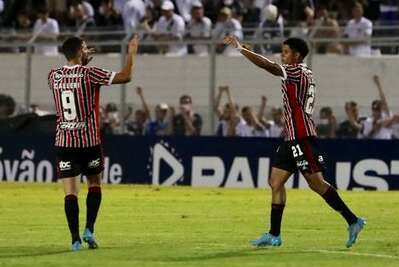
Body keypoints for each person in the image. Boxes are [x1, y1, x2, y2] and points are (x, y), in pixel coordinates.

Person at [223, 35, 365, 247]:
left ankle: (353, 220)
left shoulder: (296, 71)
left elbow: (268, 66)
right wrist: (250, 51)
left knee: (316, 184)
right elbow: (270, 65)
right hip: (291, 137)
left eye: (286, 52)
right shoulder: (304, 72)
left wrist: (241, 49)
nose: (283, 55)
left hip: (301, 136)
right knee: (276, 182)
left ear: (297, 55)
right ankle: (274, 235)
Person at [47, 35, 139, 251]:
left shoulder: (53, 76)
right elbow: (126, 77)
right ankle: (89, 229)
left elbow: (73, 81)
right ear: (80, 51)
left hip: (64, 141)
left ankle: (74, 240)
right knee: (94, 184)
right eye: (85, 48)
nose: (88, 50)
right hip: (88, 142)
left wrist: (82, 61)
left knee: (70, 193)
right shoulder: (90, 74)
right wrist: (132, 52)